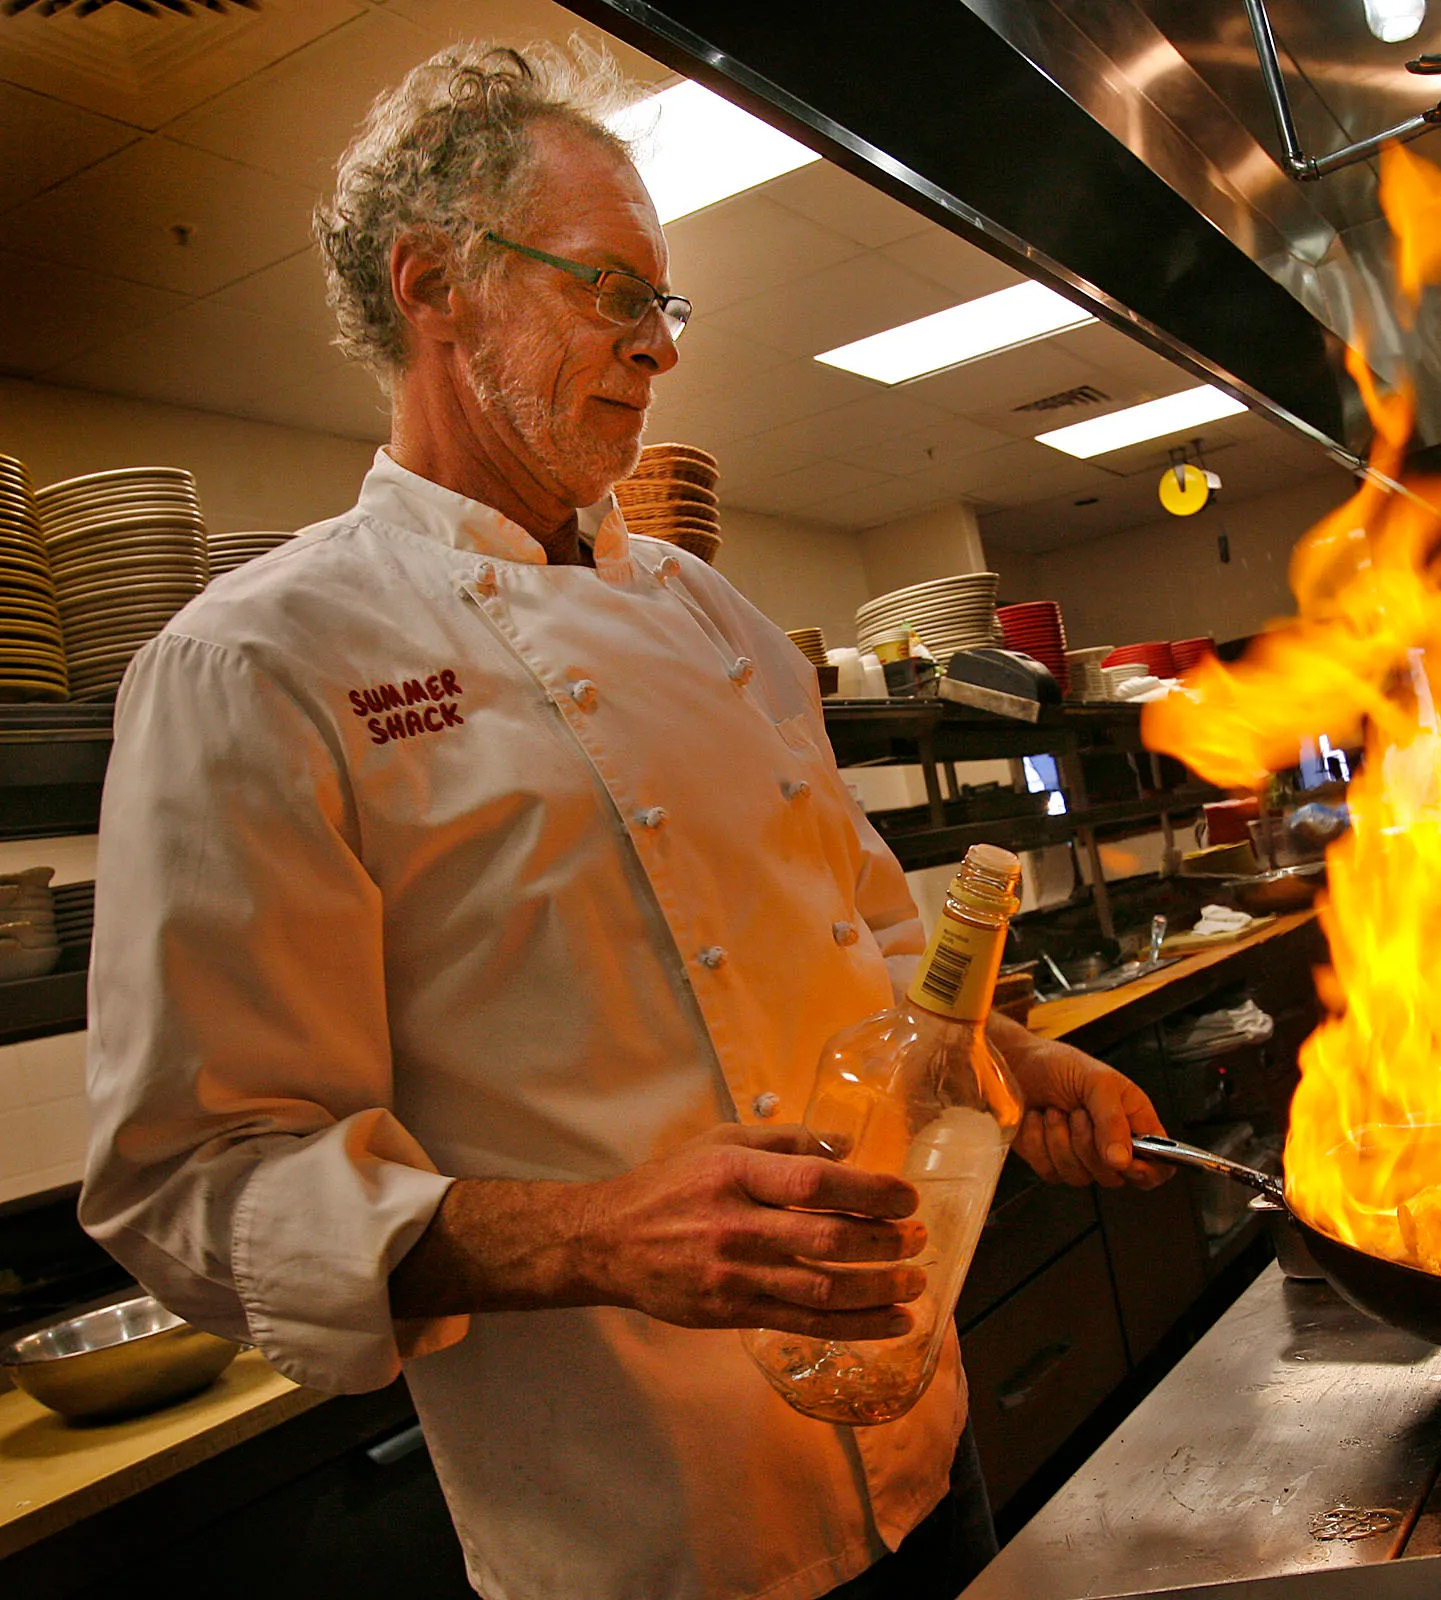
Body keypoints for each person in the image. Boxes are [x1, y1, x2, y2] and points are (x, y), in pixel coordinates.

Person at [79, 43, 1170, 1600]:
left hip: (923, 1441)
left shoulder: (717, 620)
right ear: (432, 284)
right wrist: (594, 1236)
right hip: (649, 1534)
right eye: (611, 291)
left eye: (665, 306)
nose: (657, 349)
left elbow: (872, 971)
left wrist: (1012, 1058)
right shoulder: (261, 659)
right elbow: (189, 1175)